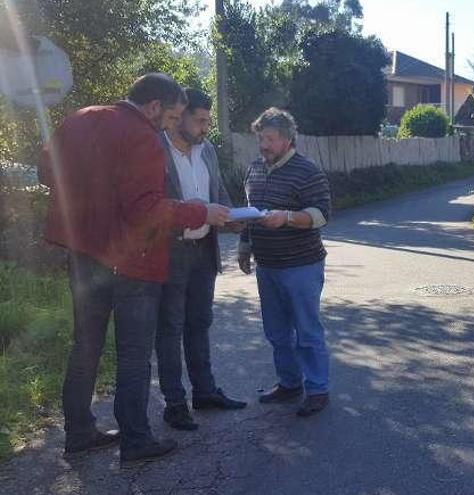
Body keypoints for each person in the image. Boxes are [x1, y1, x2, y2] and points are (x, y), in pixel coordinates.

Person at [38, 74, 230, 463]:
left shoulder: (79, 118)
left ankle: (78, 431)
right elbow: (146, 211)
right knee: (133, 352)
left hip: (83, 253)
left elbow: (46, 173)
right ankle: (136, 439)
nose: (170, 126)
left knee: (86, 346)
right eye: (172, 116)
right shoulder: (141, 135)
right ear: (155, 106)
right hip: (131, 259)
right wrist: (201, 211)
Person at [155, 88, 246, 432]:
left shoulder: (206, 149)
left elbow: (217, 192)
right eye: (201, 120)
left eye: (208, 120)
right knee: (170, 329)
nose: (206, 127)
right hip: (170, 253)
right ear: (179, 117)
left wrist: (234, 217)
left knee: (200, 324)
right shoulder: (156, 148)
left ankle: (205, 393)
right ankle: (174, 404)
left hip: (204, 252)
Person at [237, 107, 332, 417]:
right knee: (277, 332)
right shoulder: (254, 169)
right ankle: (289, 383)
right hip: (267, 266)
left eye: (271, 139)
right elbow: (251, 214)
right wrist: (244, 246)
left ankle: (317, 389)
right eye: (261, 138)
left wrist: (288, 218)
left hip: (302, 266)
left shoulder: (307, 171)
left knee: (307, 331)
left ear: (288, 140)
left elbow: (321, 215)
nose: (264, 145)